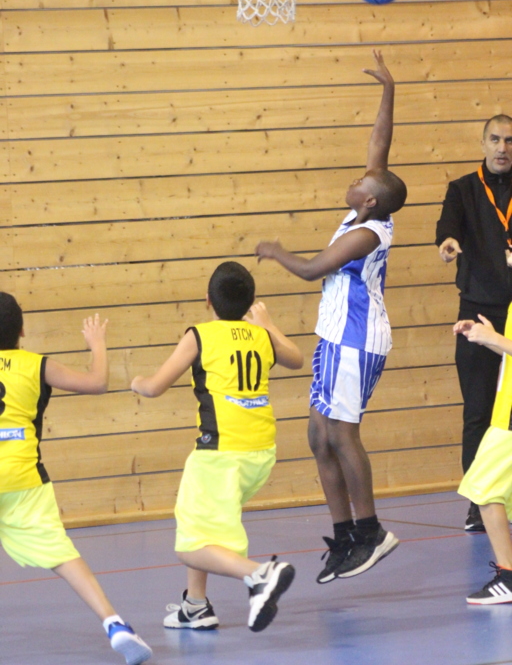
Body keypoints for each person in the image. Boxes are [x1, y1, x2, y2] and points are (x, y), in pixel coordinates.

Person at [255, 50, 406, 583]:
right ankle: (343, 537)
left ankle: (371, 532)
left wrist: (276, 251)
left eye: (362, 183)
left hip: (357, 339)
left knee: (342, 434)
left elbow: (311, 269)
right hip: (336, 335)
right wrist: (388, 90)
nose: (358, 180)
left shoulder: (366, 233)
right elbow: (379, 146)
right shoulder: (369, 205)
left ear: (369, 203)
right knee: (318, 437)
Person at [131, 261, 303, 632]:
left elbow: (156, 386)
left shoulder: (200, 335)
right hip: (261, 453)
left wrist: (137, 381)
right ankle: (195, 606)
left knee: (188, 545)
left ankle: (260, 574)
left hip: (221, 454)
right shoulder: (261, 335)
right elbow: (296, 358)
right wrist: (268, 325)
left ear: (207, 300)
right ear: (251, 303)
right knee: (202, 525)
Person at [0, 292, 152, 665]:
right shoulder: (37, 365)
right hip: (21, 478)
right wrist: (97, 344)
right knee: (63, 555)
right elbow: (97, 382)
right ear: (21, 331)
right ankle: (115, 624)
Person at [436, 114, 512, 532]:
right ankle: (478, 504)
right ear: (483, 144)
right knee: (478, 411)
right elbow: (447, 226)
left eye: (510, 140)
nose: (503, 148)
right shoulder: (463, 189)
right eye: (495, 139)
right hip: (478, 311)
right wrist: (448, 242)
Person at [455, 309, 512, 604]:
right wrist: (487, 339)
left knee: (484, 486)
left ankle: (509, 578)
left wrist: (495, 338)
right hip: (504, 414)